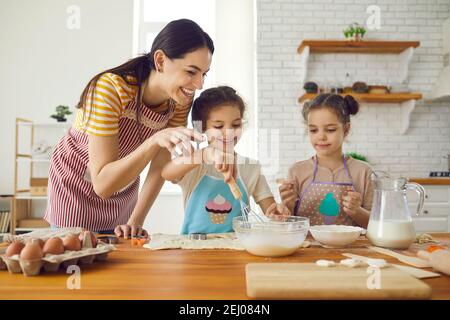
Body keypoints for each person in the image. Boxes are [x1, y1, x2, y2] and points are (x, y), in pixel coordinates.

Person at [44, 19, 213, 238]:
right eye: (191, 72)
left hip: (122, 186)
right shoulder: (111, 88)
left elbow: (159, 166)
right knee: (76, 258)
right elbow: (103, 184)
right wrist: (154, 140)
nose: (199, 84)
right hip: (75, 185)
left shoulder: (179, 100)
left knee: (114, 261)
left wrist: (136, 220)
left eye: (204, 74)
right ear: (160, 60)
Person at [161, 86, 290, 234]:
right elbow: (166, 173)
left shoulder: (251, 168)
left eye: (235, 125)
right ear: (202, 128)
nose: (228, 132)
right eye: (218, 126)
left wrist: (278, 212)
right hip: (195, 248)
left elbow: (271, 210)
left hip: (236, 248)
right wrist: (204, 155)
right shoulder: (195, 163)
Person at [279, 93, 373, 228]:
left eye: (330, 130)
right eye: (313, 130)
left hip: (350, 248)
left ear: (346, 130)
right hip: (307, 248)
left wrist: (356, 211)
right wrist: (287, 205)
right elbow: (288, 225)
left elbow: (375, 225)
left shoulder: (363, 172)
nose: (321, 136)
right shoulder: (297, 171)